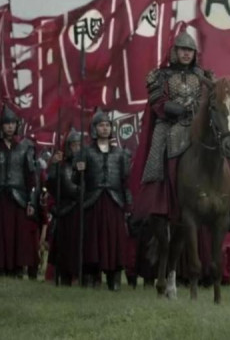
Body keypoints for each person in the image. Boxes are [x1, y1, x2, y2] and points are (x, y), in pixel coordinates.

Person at [134, 31, 210, 222]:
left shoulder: (203, 75)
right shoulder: (161, 75)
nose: (186, 53)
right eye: (183, 49)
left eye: (190, 50)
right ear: (175, 51)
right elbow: (157, 100)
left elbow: (210, 98)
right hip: (168, 122)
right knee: (157, 152)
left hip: (196, 122)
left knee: (224, 146)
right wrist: (177, 109)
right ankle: (155, 202)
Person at [0, 105, 39, 276]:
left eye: (12, 123)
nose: (10, 127)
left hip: (19, 198)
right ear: (1, 126)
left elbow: (32, 178)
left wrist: (31, 202)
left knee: (17, 236)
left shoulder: (25, 147)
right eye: (6, 123)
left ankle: (16, 269)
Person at [77, 109, 132, 290]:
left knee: (114, 240)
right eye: (101, 125)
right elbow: (77, 181)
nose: (105, 128)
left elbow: (126, 181)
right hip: (93, 201)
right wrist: (79, 170)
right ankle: (91, 277)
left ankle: (113, 279)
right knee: (93, 241)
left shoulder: (120, 153)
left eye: (107, 125)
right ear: (94, 128)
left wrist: (128, 204)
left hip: (114, 201)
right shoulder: (85, 152)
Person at [46, 128, 84, 285]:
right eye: (73, 145)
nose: (76, 148)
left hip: (82, 209)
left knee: (81, 245)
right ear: (68, 146)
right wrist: (54, 166)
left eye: (79, 144)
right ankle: (64, 276)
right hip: (66, 210)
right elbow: (51, 186)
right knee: (64, 246)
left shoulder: (85, 164)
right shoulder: (61, 165)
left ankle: (81, 276)